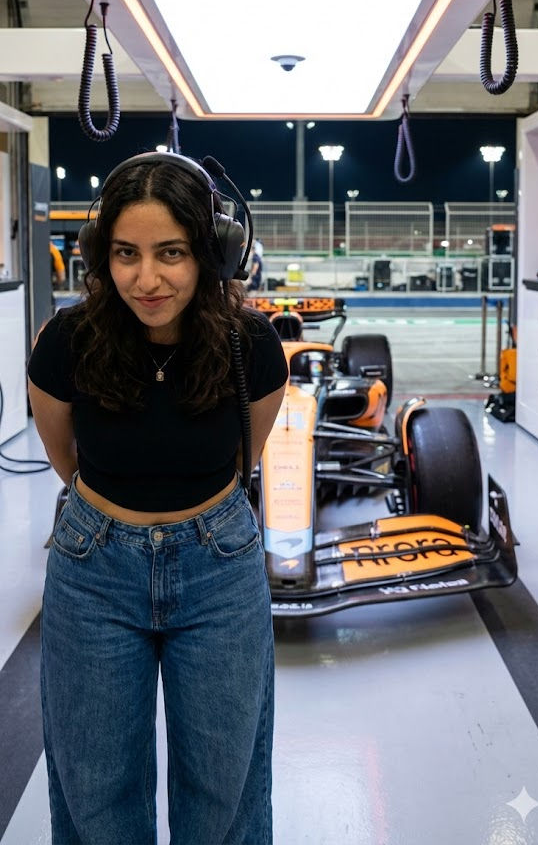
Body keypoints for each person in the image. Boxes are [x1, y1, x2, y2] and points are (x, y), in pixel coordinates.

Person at [27, 151, 288, 845]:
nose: (147, 278)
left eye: (170, 252)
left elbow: (242, 455)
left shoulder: (252, 345)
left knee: (222, 785)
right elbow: (65, 458)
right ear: (100, 257)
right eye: (126, 254)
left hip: (220, 565)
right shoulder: (66, 342)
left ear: (213, 252)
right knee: (96, 786)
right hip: (93, 570)